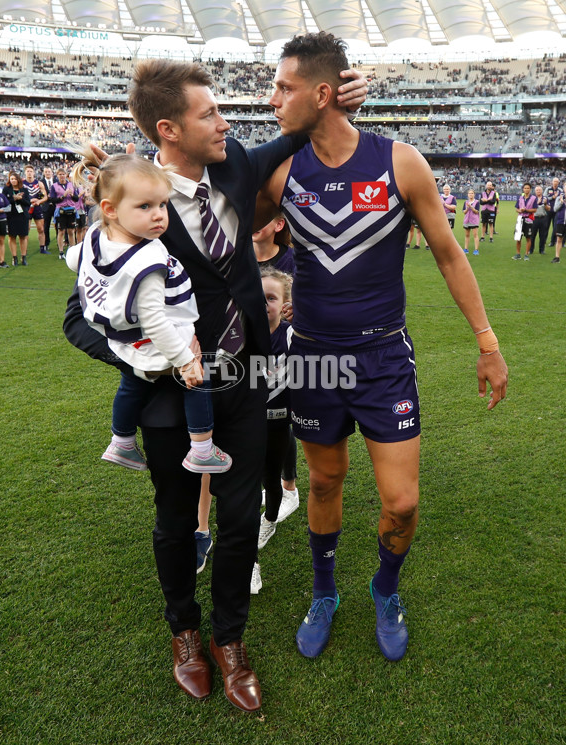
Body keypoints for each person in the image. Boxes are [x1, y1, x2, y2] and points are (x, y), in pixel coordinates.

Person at [62, 58, 368, 711]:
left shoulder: (233, 169)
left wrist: (340, 95)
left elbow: (295, 134)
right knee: (177, 523)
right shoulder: (131, 207)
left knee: (237, 521)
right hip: (174, 399)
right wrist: (149, 361)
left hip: (246, 386)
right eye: (209, 113)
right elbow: (77, 320)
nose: (225, 121)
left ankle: (230, 639)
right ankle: (185, 632)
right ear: (169, 129)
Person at [257, 32, 508, 663]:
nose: (272, 100)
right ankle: (323, 591)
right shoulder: (280, 171)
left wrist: (487, 340)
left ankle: (384, 589)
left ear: (322, 92)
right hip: (313, 355)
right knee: (324, 481)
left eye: (284, 88)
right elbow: (228, 224)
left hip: (383, 357)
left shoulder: (400, 161)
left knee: (402, 501)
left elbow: (450, 254)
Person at [67, 149, 232, 476]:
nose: (158, 215)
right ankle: (201, 450)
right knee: (197, 383)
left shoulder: (97, 237)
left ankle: (121, 440)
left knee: (132, 384)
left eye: (162, 204)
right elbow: (156, 321)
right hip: (160, 341)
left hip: (123, 340)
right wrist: (186, 360)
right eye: (145, 207)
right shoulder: (149, 258)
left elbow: (74, 259)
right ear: (110, 210)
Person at [251, 267, 295, 595]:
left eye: (272, 298)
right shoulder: (241, 333)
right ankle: (248, 562)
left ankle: (270, 522)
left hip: (280, 425)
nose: (265, 303)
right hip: (245, 427)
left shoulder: (294, 334)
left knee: (272, 484)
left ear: (284, 304)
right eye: (259, 296)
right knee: (245, 491)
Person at [3, 171, 31, 266]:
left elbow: (28, 203)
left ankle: (24, 257)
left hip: (22, 216)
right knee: (12, 237)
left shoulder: (24, 190)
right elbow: (4, 202)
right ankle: (14, 257)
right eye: (11, 179)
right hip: (11, 216)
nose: (13, 181)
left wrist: (20, 199)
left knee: (23, 236)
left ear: (18, 180)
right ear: (9, 180)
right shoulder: (6, 190)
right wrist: (13, 199)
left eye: (15, 179)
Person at [50, 169, 78, 259]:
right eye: (60, 174)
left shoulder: (71, 184)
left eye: (63, 174)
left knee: (71, 231)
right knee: (61, 231)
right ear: (57, 176)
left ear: (66, 175)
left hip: (71, 210)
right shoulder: (54, 186)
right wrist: (63, 196)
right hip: (61, 210)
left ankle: (73, 250)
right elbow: (52, 199)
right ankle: (61, 252)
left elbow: (76, 199)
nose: (62, 176)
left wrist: (72, 195)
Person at [23, 165, 49, 254]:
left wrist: (39, 201)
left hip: (37, 208)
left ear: (34, 172)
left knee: (41, 228)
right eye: (27, 171)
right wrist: (28, 201)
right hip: (26, 208)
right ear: (25, 172)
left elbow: (45, 196)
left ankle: (42, 248)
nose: (29, 173)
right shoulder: (22, 183)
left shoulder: (39, 183)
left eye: (31, 171)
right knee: (26, 229)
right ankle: (24, 250)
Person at [513, 182, 537, 261]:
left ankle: (526, 254)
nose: (526, 189)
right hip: (520, 219)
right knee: (518, 238)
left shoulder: (533, 198)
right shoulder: (520, 198)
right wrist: (519, 210)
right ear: (523, 189)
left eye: (528, 188)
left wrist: (526, 210)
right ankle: (518, 254)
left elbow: (535, 209)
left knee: (528, 237)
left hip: (528, 219)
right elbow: (516, 209)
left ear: (530, 189)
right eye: (525, 188)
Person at [529, 185, 549, 255]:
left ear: (542, 191)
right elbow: (529, 208)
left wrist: (546, 204)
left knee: (542, 235)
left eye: (540, 190)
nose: (538, 191)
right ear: (535, 191)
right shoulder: (532, 198)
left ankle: (542, 250)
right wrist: (537, 203)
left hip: (543, 218)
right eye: (537, 190)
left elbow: (548, 209)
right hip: (534, 218)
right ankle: (531, 250)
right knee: (532, 235)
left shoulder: (545, 198)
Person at [544, 176, 562, 248]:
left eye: (557, 182)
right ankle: (543, 241)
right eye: (554, 181)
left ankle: (552, 242)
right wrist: (552, 197)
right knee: (546, 227)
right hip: (548, 210)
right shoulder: (548, 189)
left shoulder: (560, 190)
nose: (555, 183)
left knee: (555, 227)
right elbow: (544, 197)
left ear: (558, 183)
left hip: (556, 211)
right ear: (552, 182)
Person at [39, 166, 55, 252]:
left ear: (52, 172)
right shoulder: (40, 182)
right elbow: (39, 194)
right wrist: (45, 196)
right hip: (46, 206)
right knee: (46, 226)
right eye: (46, 172)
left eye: (49, 171)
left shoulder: (56, 181)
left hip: (56, 206)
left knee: (59, 226)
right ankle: (46, 243)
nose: (48, 173)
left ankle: (61, 242)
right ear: (44, 173)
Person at [551, 181, 565, 263]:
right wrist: (561, 202)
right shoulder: (559, 197)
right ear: (564, 188)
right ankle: (557, 257)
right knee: (559, 239)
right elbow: (555, 209)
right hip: (561, 221)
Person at [463, 189, 480, 255]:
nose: (470, 194)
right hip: (467, 220)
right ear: (468, 194)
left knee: (475, 235)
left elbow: (476, 211)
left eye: (472, 193)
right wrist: (467, 208)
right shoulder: (466, 202)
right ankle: (466, 249)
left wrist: (471, 207)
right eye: (469, 193)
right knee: (467, 235)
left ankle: (476, 250)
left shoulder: (477, 202)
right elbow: (464, 212)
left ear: (474, 194)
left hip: (474, 220)